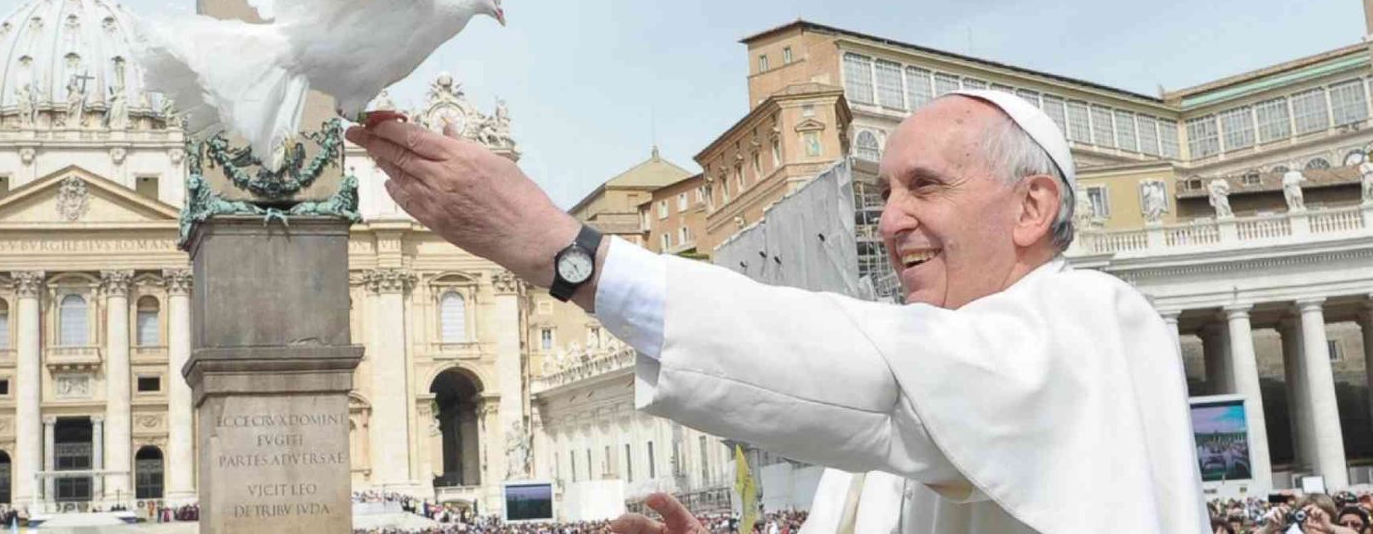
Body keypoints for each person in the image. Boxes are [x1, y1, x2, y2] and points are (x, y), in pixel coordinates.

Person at [347, 90, 1209, 533]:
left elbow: (866, 372)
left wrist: (567, 255)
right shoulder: (922, 395)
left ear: (1031, 208)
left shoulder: (1094, 322)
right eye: (882, 192)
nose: (890, 218)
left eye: (926, 186)